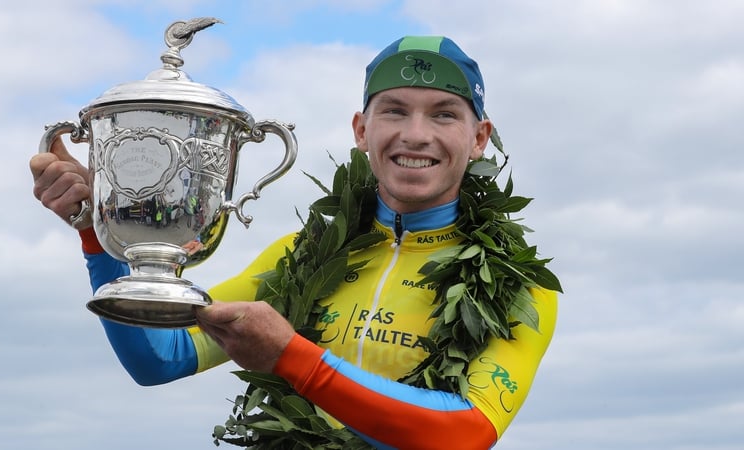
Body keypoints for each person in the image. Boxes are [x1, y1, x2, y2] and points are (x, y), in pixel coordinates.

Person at [30, 35, 558, 449]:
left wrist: (292, 358)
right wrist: (96, 231)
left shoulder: (520, 285)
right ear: (361, 129)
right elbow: (159, 359)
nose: (416, 134)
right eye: (394, 110)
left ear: (479, 137)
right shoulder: (299, 256)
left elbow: (462, 435)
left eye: (444, 114)